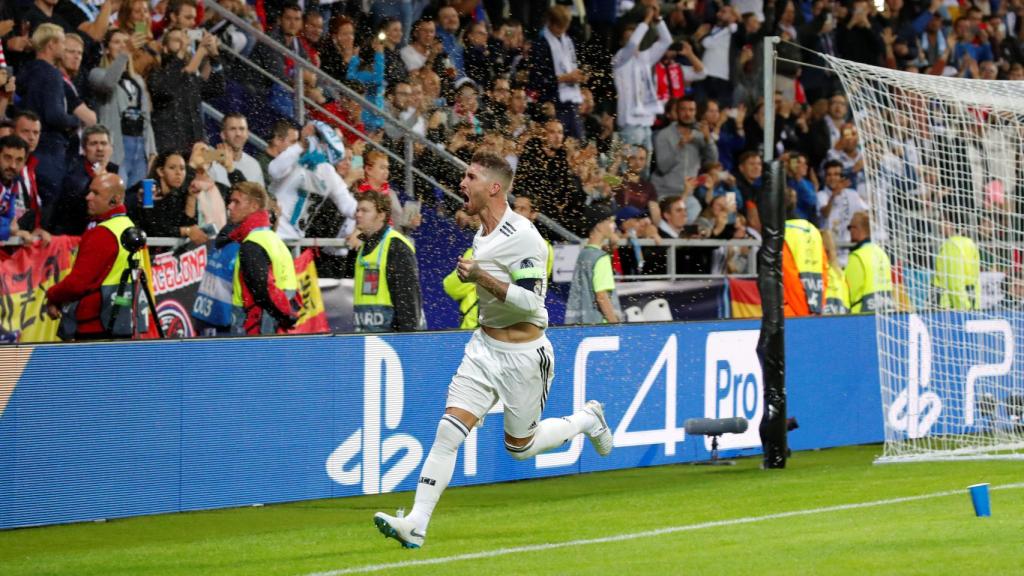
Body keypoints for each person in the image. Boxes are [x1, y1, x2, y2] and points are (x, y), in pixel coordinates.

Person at [373, 152, 613, 549]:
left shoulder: (524, 236)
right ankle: (416, 522)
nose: (461, 183)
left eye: (470, 177)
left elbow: (534, 304)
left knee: (521, 448)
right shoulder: (482, 233)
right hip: (483, 349)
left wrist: (481, 276)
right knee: (448, 431)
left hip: (525, 358)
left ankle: (587, 419)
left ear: (494, 187)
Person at [45, 172, 148, 340]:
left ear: (114, 199)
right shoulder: (128, 227)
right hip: (125, 320)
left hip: (96, 325)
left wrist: (52, 295)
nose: (88, 197)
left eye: (96, 193)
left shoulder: (102, 233)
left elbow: (77, 284)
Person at [15, 23, 82, 206]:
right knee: (48, 206)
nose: (64, 47)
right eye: (61, 43)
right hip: (50, 151)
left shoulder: (28, 70)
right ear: (51, 44)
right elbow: (55, 116)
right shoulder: (52, 74)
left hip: (31, 148)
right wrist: (75, 120)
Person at [223, 181, 299, 335]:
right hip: (275, 325)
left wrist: (285, 314)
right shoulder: (273, 239)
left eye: (236, 202)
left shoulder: (252, 244)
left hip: (256, 327)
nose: (230, 206)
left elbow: (264, 289)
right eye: (230, 201)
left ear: (254, 206)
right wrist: (287, 315)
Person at [89, 28, 157, 190]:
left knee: (139, 200)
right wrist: (125, 53)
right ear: (106, 49)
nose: (122, 46)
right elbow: (109, 83)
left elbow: (145, 116)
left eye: (125, 42)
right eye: (116, 42)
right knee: (117, 196)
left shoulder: (137, 80)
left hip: (139, 148)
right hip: (117, 149)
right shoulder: (97, 74)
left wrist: (152, 150)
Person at [352, 189, 423, 332]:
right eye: (358, 210)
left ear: (381, 215)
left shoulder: (396, 246)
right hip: (365, 337)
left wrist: (407, 341)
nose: (358, 214)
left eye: (365, 211)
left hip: (389, 340)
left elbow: (407, 302)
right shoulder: (363, 247)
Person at [613, 4, 672, 153]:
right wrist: (647, 19)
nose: (633, 41)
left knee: (643, 172)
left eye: (636, 37)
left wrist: (657, 19)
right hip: (629, 124)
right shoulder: (619, 60)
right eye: (628, 38)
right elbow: (632, 45)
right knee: (626, 170)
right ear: (621, 43)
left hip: (646, 123)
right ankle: (610, 178)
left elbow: (666, 41)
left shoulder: (645, 58)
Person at [52, 124, 118, 235]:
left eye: (103, 143)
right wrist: (100, 179)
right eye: (93, 144)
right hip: (75, 235)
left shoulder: (115, 171)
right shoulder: (73, 174)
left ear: (111, 148)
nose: (100, 149)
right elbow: (77, 208)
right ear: (84, 149)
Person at [565, 204, 622, 324]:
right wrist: (614, 323)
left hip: (582, 324)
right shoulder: (601, 258)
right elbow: (601, 296)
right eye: (610, 221)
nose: (614, 225)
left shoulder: (584, 254)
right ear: (599, 225)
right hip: (600, 326)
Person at [844, 211, 892, 313]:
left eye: (850, 227)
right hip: (884, 312)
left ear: (857, 229)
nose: (850, 231)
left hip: (861, 316)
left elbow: (849, 292)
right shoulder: (882, 253)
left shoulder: (857, 256)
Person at [933, 218, 980, 310]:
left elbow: (954, 282)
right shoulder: (970, 243)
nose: (939, 224)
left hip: (950, 304)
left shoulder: (951, 245)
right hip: (972, 297)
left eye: (943, 221)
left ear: (952, 225)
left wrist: (963, 306)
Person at [209, 113, 265, 188]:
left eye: (242, 129)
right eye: (233, 129)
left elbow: (258, 198)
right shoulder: (210, 158)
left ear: (247, 134)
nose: (238, 134)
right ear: (223, 135)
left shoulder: (254, 165)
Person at [821, 229, 850, 315]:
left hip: (819, 321)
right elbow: (847, 304)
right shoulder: (840, 274)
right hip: (840, 320)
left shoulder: (816, 273)